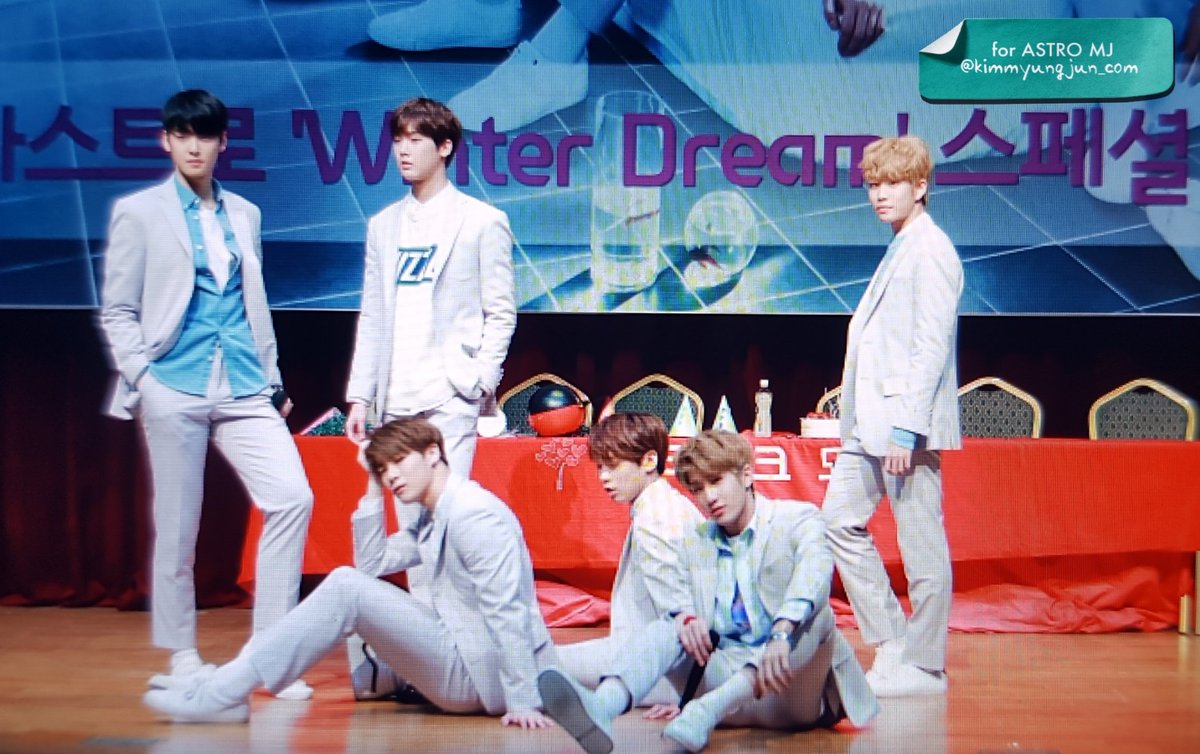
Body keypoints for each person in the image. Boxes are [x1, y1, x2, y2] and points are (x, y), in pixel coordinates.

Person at [97, 89, 314, 700]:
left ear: (222, 143)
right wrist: (144, 379)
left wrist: (272, 379)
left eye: (205, 135)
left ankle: (271, 656)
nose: (194, 146)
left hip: (244, 383)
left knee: (292, 498)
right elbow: (118, 308)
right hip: (174, 381)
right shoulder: (140, 212)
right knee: (177, 524)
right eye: (182, 134)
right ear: (166, 141)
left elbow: (253, 304)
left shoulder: (245, 213)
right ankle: (183, 655)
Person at [143, 417, 558, 728]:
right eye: (383, 469)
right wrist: (373, 487)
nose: (391, 475)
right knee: (350, 583)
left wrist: (522, 700)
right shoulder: (436, 514)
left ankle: (224, 692)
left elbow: (507, 611)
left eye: (398, 462)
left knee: (345, 586)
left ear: (433, 453)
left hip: (479, 679)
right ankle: (223, 687)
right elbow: (373, 563)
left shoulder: (473, 514)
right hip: (464, 657)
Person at [537, 430, 878, 754]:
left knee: (818, 615)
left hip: (786, 692)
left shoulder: (797, 518)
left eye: (716, 481)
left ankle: (705, 711)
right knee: (673, 623)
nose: (709, 497)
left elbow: (815, 573)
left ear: (746, 475)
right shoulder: (698, 539)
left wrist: (781, 631)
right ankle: (602, 707)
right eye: (698, 489)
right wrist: (685, 617)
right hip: (722, 680)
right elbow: (674, 596)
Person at [821, 135, 963, 697]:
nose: (880, 195)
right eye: (873, 185)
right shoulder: (902, 245)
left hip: (904, 426)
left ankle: (926, 666)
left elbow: (930, 347)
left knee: (920, 542)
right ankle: (893, 642)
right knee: (838, 520)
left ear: (920, 187)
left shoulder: (932, 250)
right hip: (870, 425)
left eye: (892, 184)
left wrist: (908, 429)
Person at [343, 96, 516, 475]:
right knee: (406, 508)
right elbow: (372, 317)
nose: (403, 151)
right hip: (394, 396)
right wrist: (360, 397)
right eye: (398, 140)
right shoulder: (383, 225)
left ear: (444, 147)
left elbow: (501, 310)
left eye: (415, 140)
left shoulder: (482, 221)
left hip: (451, 392)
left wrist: (482, 380)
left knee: (449, 503)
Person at [557, 412, 702, 704]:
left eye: (612, 466)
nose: (603, 477)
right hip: (657, 658)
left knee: (537, 663)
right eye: (600, 467)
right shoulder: (667, 503)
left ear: (649, 460)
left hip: (658, 667)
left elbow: (680, 608)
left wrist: (686, 696)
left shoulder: (655, 518)